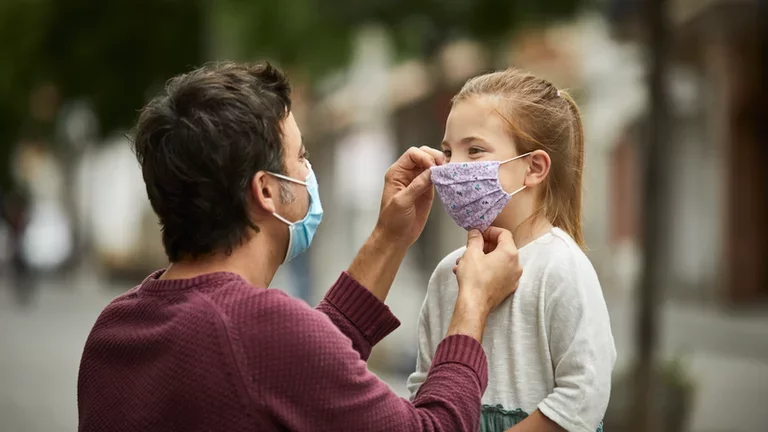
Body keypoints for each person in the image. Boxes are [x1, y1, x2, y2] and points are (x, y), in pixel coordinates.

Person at [77, 62, 524, 432]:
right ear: (267, 191)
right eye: (302, 156)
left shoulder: (116, 327)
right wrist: (473, 306)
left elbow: (298, 369)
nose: (308, 170)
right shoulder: (255, 330)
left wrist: (389, 238)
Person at [407, 69, 617, 432]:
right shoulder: (447, 273)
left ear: (533, 168)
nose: (452, 167)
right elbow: (423, 387)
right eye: (447, 151)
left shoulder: (562, 267)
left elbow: (584, 394)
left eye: (474, 150)